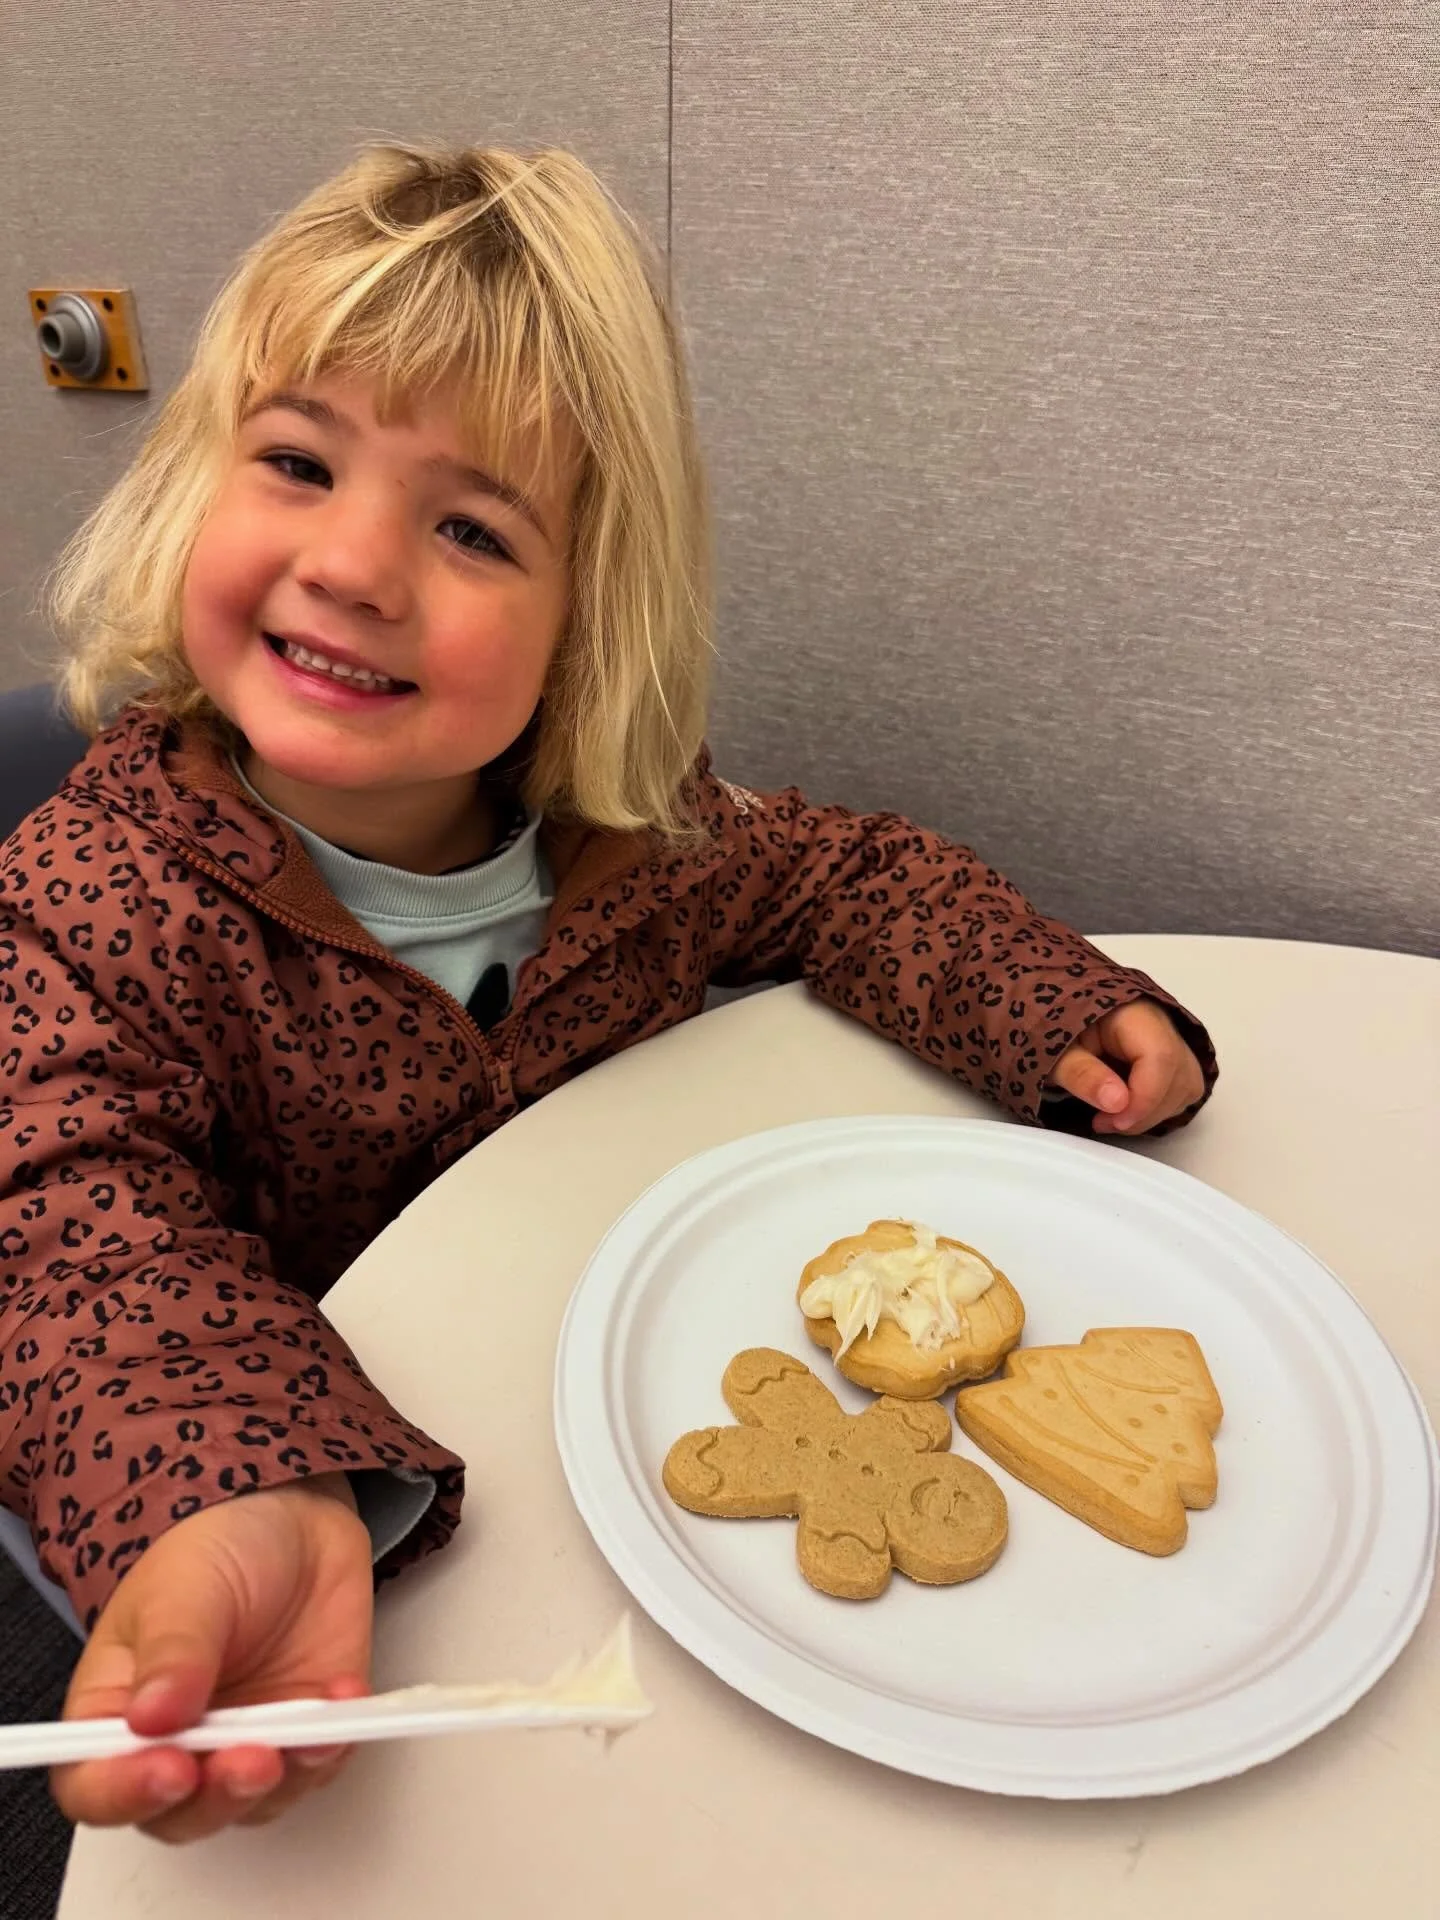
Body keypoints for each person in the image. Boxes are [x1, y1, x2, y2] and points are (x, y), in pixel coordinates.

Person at [0, 142, 1214, 1845]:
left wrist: (1039, 997)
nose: (353, 564)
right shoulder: (80, 907)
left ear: (586, 621)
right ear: (190, 484)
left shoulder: (628, 839)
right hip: (364, 1536)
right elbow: (65, 1232)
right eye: (295, 460)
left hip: (645, 1447)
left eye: (475, 527)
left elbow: (836, 873)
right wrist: (235, 1485)